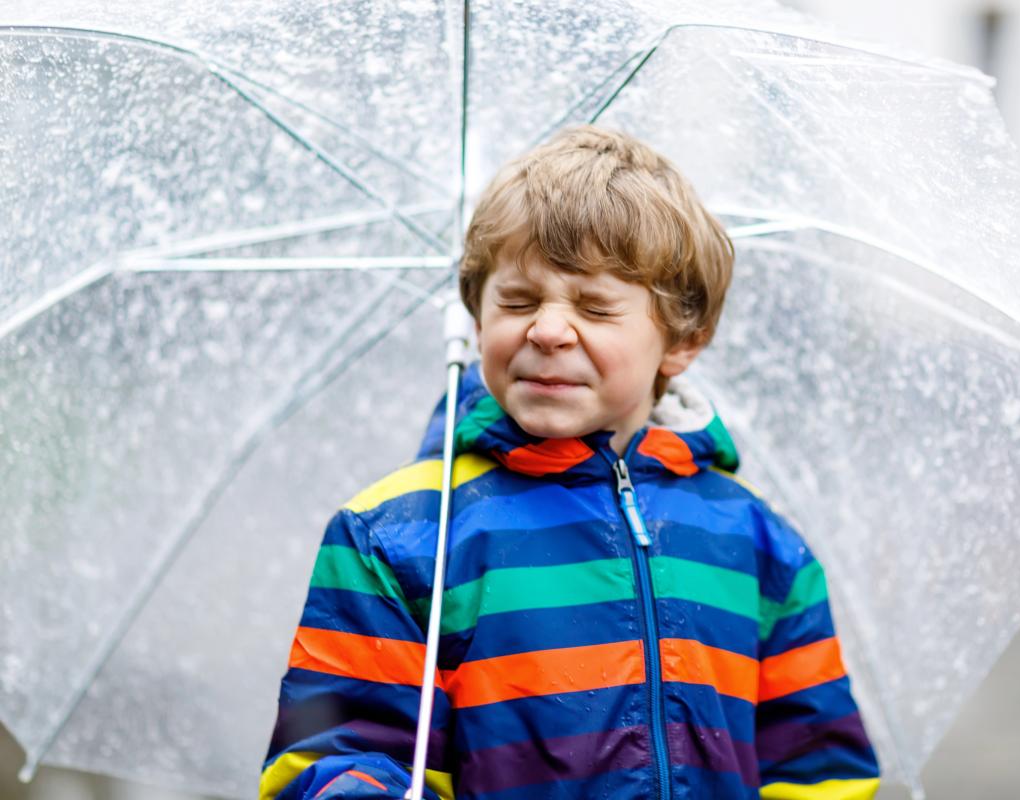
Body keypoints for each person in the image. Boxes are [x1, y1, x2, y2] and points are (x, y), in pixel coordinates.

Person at [259, 126, 880, 799]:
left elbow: (820, 773)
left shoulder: (761, 548)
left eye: (594, 306)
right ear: (473, 317)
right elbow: (338, 750)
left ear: (681, 342)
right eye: (518, 301)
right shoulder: (397, 539)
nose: (548, 330)